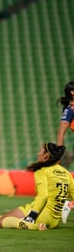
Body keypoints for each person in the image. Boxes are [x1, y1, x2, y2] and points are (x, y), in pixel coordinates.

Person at [0, 142, 74, 230]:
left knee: (0, 222)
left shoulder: (42, 171)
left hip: (41, 213)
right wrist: (68, 206)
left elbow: (43, 196)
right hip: (54, 221)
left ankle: (33, 226)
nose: (38, 153)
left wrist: (32, 216)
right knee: (9, 216)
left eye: (40, 151)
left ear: (46, 156)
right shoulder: (67, 174)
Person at [56, 81, 74, 223]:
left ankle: (69, 205)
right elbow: (61, 133)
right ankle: (68, 205)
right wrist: (59, 153)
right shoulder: (70, 110)